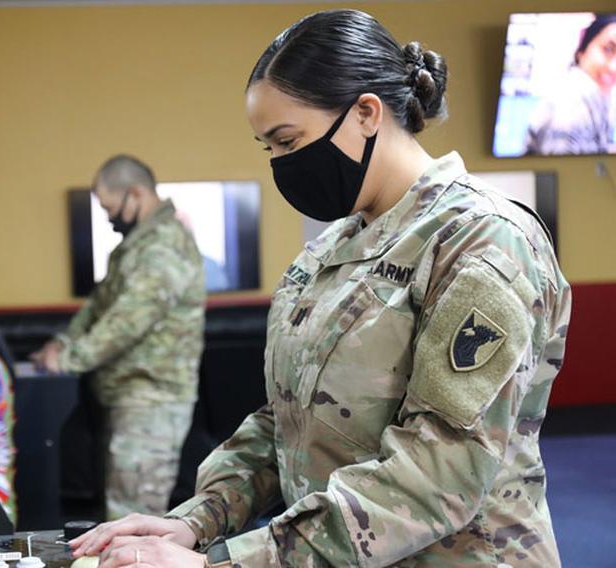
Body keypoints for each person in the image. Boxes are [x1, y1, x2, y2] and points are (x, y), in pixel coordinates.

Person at [70, 9, 571, 567]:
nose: (282, 165)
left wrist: (228, 561)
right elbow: (287, 418)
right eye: (270, 149)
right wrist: (194, 520)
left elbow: (440, 470)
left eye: (288, 141)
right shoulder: (331, 249)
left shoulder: (483, 240)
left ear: (365, 113)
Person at [30, 155, 206, 519]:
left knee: (132, 520)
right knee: (120, 516)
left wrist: (66, 360)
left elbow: (129, 320)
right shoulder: (135, 247)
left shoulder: (163, 245)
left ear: (136, 194)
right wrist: (63, 343)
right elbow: (98, 307)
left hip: (150, 400)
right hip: (127, 395)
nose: (110, 219)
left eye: (111, 209)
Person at [526, 13, 616, 155]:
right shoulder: (573, 101)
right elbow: (565, 171)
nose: (613, 67)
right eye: (608, 49)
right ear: (582, 49)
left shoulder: (596, 99)